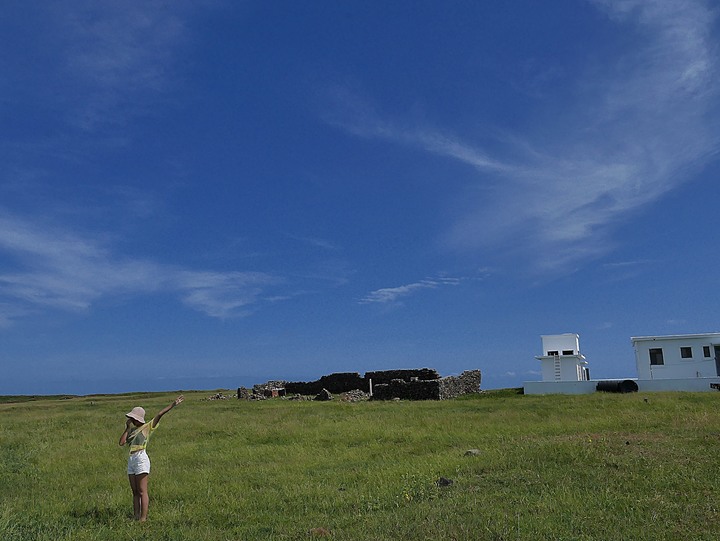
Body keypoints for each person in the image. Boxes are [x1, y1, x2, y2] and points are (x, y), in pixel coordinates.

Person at [119, 395, 184, 521]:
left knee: (142, 491)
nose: (131, 420)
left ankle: (143, 519)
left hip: (141, 458)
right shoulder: (131, 431)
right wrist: (127, 428)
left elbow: (160, 414)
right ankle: (136, 515)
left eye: (132, 418)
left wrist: (173, 404)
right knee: (135, 491)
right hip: (131, 459)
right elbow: (121, 443)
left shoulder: (147, 427)